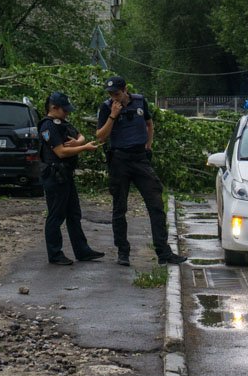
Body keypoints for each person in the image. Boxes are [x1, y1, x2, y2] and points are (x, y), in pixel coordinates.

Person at [95, 76, 187, 266]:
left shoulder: (139, 101)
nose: (114, 97)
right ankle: (123, 251)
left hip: (139, 158)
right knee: (119, 207)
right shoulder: (106, 107)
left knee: (156, 203)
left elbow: (149, 122)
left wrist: (149, 144)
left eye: (117, 94)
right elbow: (101, 137)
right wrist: (113, 115)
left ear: (125, 90)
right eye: (111, 94)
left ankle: (163, 252)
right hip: (119, 159)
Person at [39, 92, 104, 265]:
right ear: (54, 108)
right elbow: (60, 152)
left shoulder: (63, 123)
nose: (67, 113)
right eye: (64, 110)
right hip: (55, 176)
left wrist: (78, 142)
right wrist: (83, 148)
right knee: (56, 215)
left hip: (66, 175)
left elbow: (80, 135)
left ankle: (82, 250)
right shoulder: (47, 126)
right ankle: (55, 253)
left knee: (74, 214)